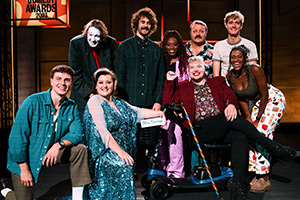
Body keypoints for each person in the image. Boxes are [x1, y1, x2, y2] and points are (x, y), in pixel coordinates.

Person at [162, 56, 296, 200]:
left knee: (240, 136)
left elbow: (231, 95)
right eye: (192, 68)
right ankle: (272, 147)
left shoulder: (217, 82)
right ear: (188, 72)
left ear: (205, 70)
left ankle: (237, 186)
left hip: (222, 127)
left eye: (199, 67)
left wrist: (231, 104)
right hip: (202, 130)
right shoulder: (183, 87)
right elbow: (168, 102)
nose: (196, 70)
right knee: (229, 119)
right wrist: (170, 81)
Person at [1, 65, 91, 200]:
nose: (62, 83)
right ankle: (7, 192)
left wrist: (58, 145)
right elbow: (17, 137)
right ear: (51, 81)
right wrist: (23, 168)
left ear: (71, 83)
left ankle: (77, 197)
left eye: (67, 80)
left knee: (79, 150)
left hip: (51, 152)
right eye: (58, 79)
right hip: (26, 158)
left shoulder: (71, 106)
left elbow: (77, 134)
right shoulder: (32, 102)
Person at [82, 68, 165, 199]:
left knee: (126, 163)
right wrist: (121, 152)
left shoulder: (118, 102)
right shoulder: (95, 101)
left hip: (120, 149)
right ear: (96, 86)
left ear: (114, 84)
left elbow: (137, 112)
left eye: (108, 82)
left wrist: (159, 113)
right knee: (123, 164)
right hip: (104, 151)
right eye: (101, 82)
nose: (105, 86)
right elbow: (102, 132)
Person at [227, 45, 286, 193]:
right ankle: (255, 173)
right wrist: (247, 117)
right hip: (255, 104)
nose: (236, 60)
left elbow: (265, 94)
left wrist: (258, 118)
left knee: (262, 132)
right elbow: (241, 98)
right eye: (233, 57)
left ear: (245, 59)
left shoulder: (255, 70)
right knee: (250, 132)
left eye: (239, 57)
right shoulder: (230, 76)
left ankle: (264, 177)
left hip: (272, 100)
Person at [114, 7, 165, 110]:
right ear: (136, 23)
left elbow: (160, 78)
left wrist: (158, 101)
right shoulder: (124, 47)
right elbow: (119, 76)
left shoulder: (157, 49)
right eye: (143, 22)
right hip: (128, 102)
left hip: (150, 104)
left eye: (149, 23)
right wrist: (121, 102)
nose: (145, 25)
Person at [69, 19, 116, 119]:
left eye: (96, 36)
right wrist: (90, 94)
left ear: (102, 37)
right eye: (90, 35)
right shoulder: (77, 43)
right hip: (83, 96)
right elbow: (76, 75)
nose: (92, 39)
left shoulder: (110, 43)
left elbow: (112, 71)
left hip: (104, 96)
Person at [159, 30, 190, 178]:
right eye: (168, 44)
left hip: (178, 108)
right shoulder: (162, 63)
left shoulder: (185, 64)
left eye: (175, 44)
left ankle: (177, 172)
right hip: (162, 106)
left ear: (180, 46)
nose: (171, 47)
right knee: (162, 137)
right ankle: (163, 168)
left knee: (175, 136)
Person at [213, 11, 258, 77]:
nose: (233, 26)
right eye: (230, 23)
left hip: (245, 84)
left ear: (241, 26)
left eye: (237, 23)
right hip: (225, 85)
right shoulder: (218, 46)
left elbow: (253, 71)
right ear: (226, 25)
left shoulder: (250, 45)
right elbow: (216, 75)